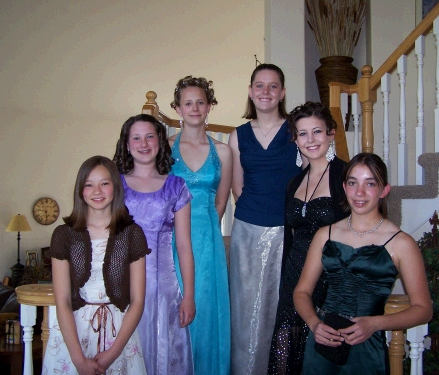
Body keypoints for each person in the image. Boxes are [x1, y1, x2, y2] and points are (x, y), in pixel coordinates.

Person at [293, 153, 433, 375]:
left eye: (370, 184)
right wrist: (314, 324)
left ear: (384, 190)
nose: (359, 192)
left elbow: (424, 310)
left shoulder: (402, 243)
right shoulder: (325, 234)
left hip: (366, 348)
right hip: (322, 344)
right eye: (352, 183)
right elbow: (301, 292)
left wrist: (375, 324)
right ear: (344, 187)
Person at [42, 155, 149, 375]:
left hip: (119, 334)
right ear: (80, 190)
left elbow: (138, 300)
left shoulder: (132, 234)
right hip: (73, 335)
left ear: (115, 188)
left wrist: (113, 353)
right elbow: (61, 300)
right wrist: (78, 359)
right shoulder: (63, 235)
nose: (97, 191)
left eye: (104, 183)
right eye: (89, 185)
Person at [228, 63, 301, 375]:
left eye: (273, 86)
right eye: (260, 85)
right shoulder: (237, 136)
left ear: (282, 92)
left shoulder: (298, 131)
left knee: (281, 311)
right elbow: (237, 187)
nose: (266, 92)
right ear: (250, 91)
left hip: (289, 234)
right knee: (245, 311)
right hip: (247, 231)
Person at [267, 102, 349, 375]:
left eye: (317, 132)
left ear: (331, 133)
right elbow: (290, 236)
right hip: (294, 275)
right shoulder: (294, 182)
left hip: (331, 277)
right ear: (295, 139)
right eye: (303, 134)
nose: (310, 140)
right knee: (285, 346)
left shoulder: (346, 176)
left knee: (321, 352)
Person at [113, 114, 196, 374]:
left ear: (160, 141)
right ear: (127, 144)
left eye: (150, 136)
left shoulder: (176, 186)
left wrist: (189, 296)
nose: (144, 143)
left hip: (164, 289)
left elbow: (183, 245)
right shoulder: (115, 185)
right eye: (136, 137)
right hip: (122, 285)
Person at [169, 76, 232, 375]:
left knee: (205, 311)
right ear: (178, 109)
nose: (194, 108)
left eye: (200, 102)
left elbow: (221, 203)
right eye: (188, 103)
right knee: (172, 311)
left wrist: (206, 233)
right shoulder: (163, 149)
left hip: (207, 243)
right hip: (169, 242)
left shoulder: (223, 152)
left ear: (209, 107)